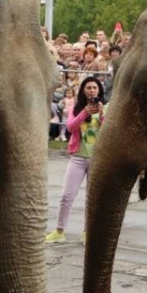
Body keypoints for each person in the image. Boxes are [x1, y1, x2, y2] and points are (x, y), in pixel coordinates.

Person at [45, 76, 106, 244]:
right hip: (78, 158)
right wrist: (85, 113)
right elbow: (70, 127)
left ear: (99, 90)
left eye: (94, 87)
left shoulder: (105, 108)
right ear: (83, 90)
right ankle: (59, 231)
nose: (92, 90)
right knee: (66, 196)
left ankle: (87, 232)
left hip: (96, 159)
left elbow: (108, 131)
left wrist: (101, 116)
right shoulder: (77, 108)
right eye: (88, 88)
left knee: (91, 198)